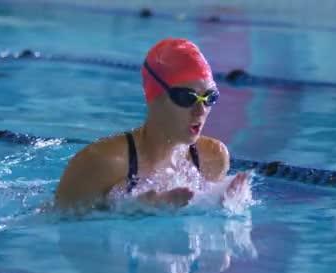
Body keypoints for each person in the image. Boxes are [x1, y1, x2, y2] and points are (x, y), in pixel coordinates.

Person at [55, 38, 250, 211]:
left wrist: (220, 205)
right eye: (186, 97)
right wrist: (126, 213)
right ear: (153, 98)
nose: (200, 110)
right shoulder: (101, 163)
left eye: (209, 97)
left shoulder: (213, 158)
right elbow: (57, 226)